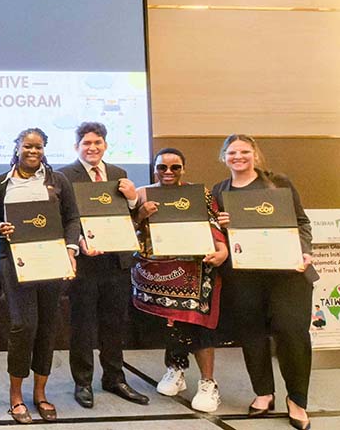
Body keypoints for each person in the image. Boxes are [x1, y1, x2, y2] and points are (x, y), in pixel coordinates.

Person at [213, 134, 314, 430]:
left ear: (255, 154)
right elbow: (217, 234)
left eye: (245, 151)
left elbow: (302, 222)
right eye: (232, 152)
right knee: (251, 332)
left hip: (287, 273)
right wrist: (221, 226)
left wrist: (304, 250)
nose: (238, 157)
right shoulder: (220, 190)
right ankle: (264, 393)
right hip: (244, 274)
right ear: (224, 157)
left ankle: (297, 399)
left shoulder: (278, 182)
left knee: (292, 332)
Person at [0, 128, 80, 424]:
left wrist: (70, 250)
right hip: (15, 261)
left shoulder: (58, 180)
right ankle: (16, 395)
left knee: (47, 327)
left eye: (38, 147)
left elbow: (72, 218)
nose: (33, 151)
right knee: (23, 325)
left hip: (51, 260)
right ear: (17, 147)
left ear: (44, 149)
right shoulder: (1, 183)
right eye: (27, 146)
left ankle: (40, 393)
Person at [57, 121, 150, 408]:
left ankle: (114, 378)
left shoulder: (119, 174)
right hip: (85, 261)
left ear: (105, 145)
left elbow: (129, 216)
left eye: (97, 142)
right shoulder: (64, 176)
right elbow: (63, 218)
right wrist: (79, 241)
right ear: (76, 147)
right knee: (82, 325)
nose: (92, 147)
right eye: (86, 143)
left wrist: (133, 199)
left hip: (116, 261)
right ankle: (83, 381)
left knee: (114, 323)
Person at [130, 148, 228, 413]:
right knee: (169, 322)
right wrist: (140, 215)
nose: (168, 172)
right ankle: (175, 368)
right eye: (162, 167)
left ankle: (208, 382)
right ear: (154, 169)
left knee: (198, 323)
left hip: (193, 270)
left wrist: (222, 250)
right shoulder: (142, 193)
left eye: (175, 167)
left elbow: (214, 225)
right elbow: (127, 230)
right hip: (156, 272)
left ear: (184, 169)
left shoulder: (199, 193)